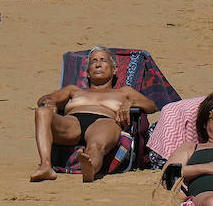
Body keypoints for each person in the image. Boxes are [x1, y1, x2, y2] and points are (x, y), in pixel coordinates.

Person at [30, 47, 158, 182]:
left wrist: (131, 103)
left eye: (103, 61)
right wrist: (49, 102)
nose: (98, 64)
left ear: (114, 69)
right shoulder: (73, 90)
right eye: (93, 61)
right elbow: (45, 99)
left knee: (96, 146)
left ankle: (90, 169)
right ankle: (45, 166)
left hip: (104, 121)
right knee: (42, 112)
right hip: (72, 122)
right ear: (88, 72)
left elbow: (151, 105)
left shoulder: (124, 92)